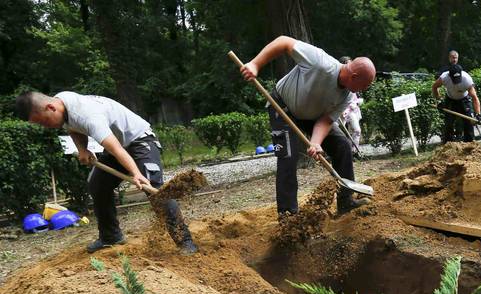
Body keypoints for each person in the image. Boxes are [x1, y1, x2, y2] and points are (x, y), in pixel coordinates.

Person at [14, 91, 197, 254]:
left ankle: (185, 241)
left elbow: (116, 149)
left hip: (140, 141)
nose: (46, 127)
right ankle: (111, 237)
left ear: (50, 108)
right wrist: (82, 149)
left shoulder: (88, 116)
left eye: (44, 121)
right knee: (97, 185)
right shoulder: (62, 103)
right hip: (118, 147)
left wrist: (136, 173)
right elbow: (73, 128)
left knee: (153, 187)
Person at [239, 37, 376, 216]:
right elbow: (284, 42)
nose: (362, 90)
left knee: (342, 146)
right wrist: (255, 64)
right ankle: (288, 215)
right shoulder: (320, 62)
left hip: (313, 115)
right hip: (283, 107)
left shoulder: (347, 96)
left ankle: (346, 202)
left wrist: (316, 142)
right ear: (354, 77)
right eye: (363, 86)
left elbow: (326, 120)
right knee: (288, 156)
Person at [432, 64, 481, 143]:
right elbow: (434, 87)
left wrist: (478, 114)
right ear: (449, 75)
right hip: (450, 99)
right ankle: (448, 144)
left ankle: (470, 143)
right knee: (448, 123)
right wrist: (439, 101)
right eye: (454, 79)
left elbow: (475, 98)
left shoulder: (467, 79)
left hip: (464, 99)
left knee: (468, 121)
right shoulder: (444, 77)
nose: (456, 82)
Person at [338, 57, 364, 156]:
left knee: (357, 130)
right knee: (340, 133)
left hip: (352, 110)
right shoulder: (339, 79)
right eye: (349, 64)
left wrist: (356, 102)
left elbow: (356, 96)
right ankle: (342, 152)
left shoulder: (354, 77)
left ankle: (354, 151)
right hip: (341, 110)